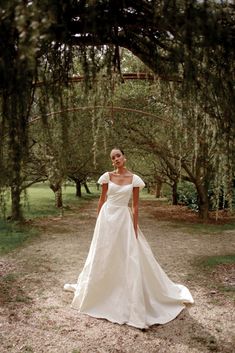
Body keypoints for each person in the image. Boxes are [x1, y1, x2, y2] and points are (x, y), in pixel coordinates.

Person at [64, 148, 194, 329]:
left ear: (124, 158)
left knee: (127, 256)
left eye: (118, 155)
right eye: (113, 157)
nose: (116, 159)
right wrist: (98, 221)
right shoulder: (107, 177)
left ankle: (128, 295)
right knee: (104, 253)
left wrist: (134, 227)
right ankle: (101, 292)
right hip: (107, 218)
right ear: (112, 161)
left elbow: (135, 206)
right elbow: (101, 200)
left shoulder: (134, 179)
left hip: (123, 220)